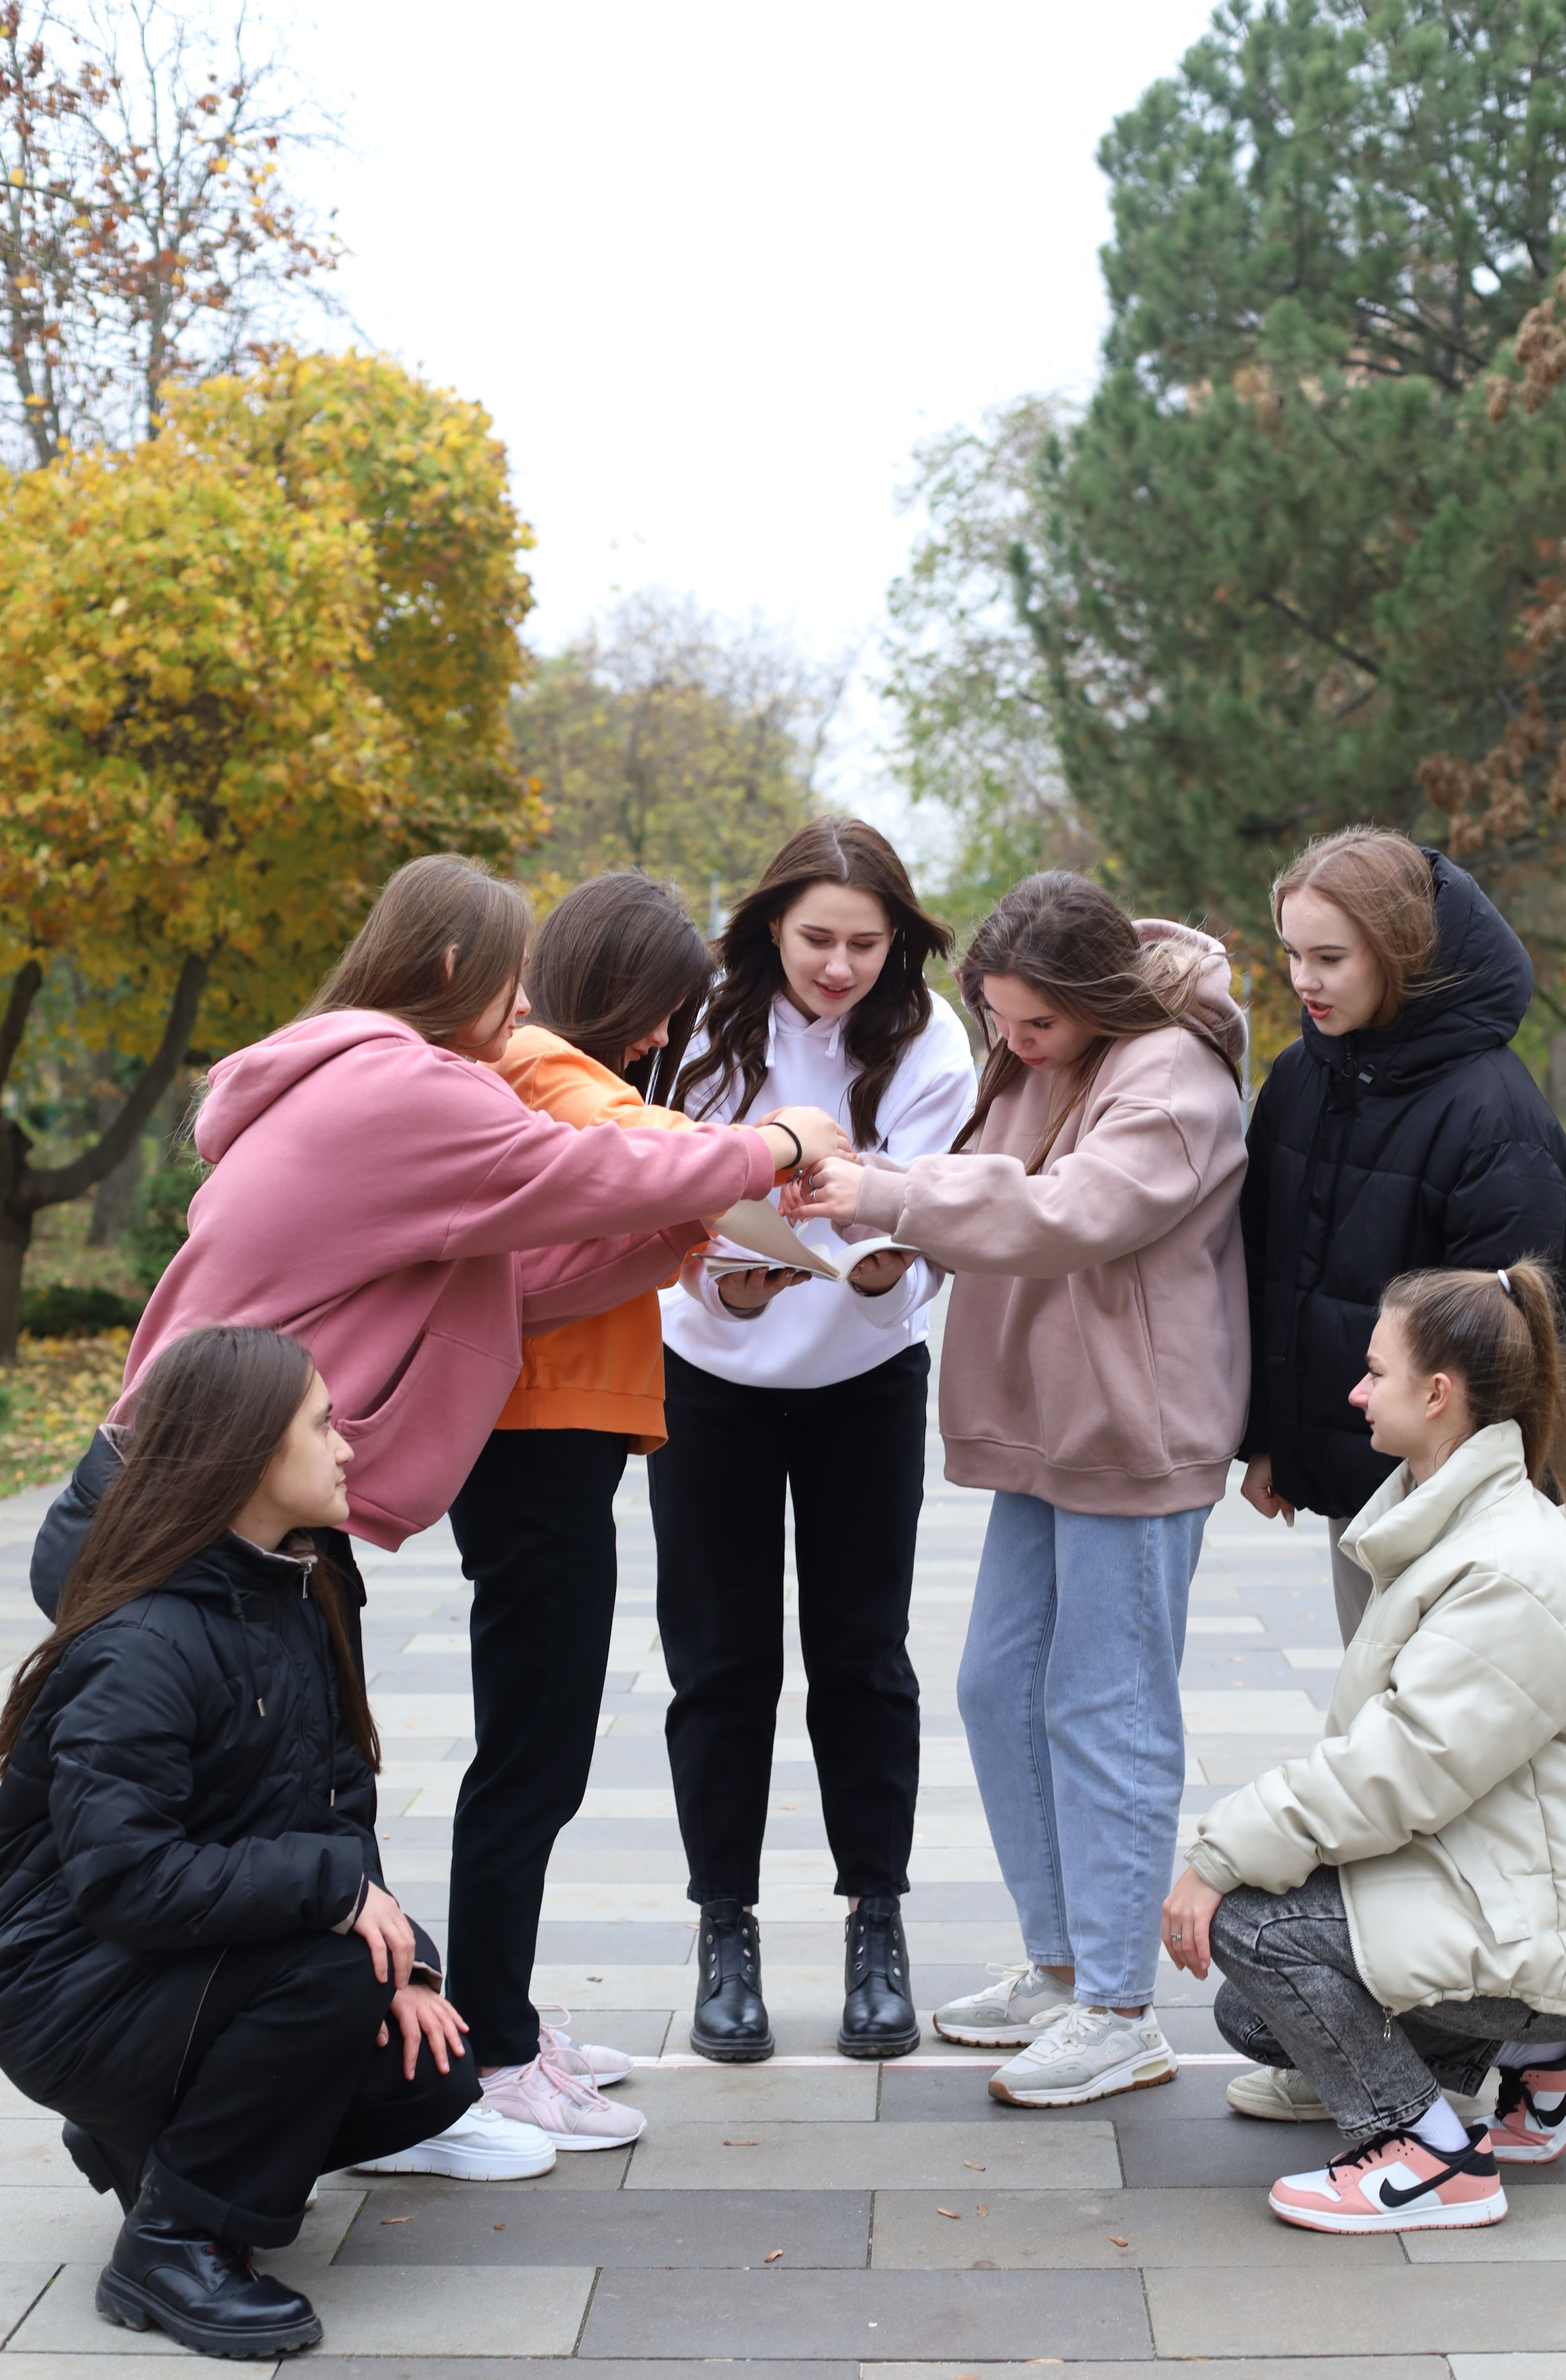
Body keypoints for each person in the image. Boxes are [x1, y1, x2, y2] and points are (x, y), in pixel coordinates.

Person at [34, 849, 846, 1596]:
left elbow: (514, 1286)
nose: (526, 1006)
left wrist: (685, 1226)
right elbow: (587, 1167)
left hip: (197, 1479)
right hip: (197, 1501)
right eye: (515, 979)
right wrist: (772, 1145)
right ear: (457, 966)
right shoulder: (408, 1086)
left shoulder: (349, 1071)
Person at [796, 872, 1250, 2107]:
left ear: (1097, 995)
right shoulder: (1039, 1055)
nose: (1014, 1040)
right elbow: (984, 1194)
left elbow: (1071, 1212)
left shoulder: (1174, 1072)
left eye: (1035, 1021)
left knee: (1109, 1712)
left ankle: (1119, 2008)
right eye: (998, 1018)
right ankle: (1064, 1967)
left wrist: (893, 1195)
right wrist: (887, 1239)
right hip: (1044, 1427)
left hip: (1134, 1432)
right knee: (1000, 1689)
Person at [0, 1327, 507, 2360]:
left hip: (162, 1963)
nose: (348, 1448)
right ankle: (174, 2245)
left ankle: (150, 2145)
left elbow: (335, 1807)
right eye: (323, 1426)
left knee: (431, 2065)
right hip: (64, 1988)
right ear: (247, 1453)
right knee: (335, 1968)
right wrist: (339, 1905)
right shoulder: (142, 1643)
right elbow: (124, 1878)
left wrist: (407, 1963)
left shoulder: (293, 1588)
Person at [1163, 1262, 1566, 2235]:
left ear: (1438, 1395)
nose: (1356, 1393)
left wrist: (1221, 1855)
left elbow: (1395, 1772)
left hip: (1560, 1922)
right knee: (1255, 2012)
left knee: (1252, 1929)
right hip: (1523, 1887)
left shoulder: (1508, 1571)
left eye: (1375, 1373)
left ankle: (1427, 2152)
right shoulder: (1459, 1523)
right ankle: (1557, 2060)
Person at [651, 818, 975, 2061]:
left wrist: (891, 1266)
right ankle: (723, 1929)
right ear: (770, 927)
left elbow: (930, 1219)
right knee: (720, 1664)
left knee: (863, 1658)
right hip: (709, 1383)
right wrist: (717, 1283)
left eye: (865, 943)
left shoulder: (931, 1041)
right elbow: (669, 1199)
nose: (839, 966)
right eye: (816, 939)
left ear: (899, 943)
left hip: (866, 1382)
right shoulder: (701, 1025)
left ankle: (875, 1923)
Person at [444, 872, 714, 2145]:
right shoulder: (540, 1061)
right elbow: (646, 1150)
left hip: (559, 1443)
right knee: (531, 1756)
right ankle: (494, 2050)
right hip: (535, 1447)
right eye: (655, 1007)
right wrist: (771, 1154)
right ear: (604, 982)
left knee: (536, 1751)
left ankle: (501, 2016)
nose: (660, 1035)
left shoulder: (547, 1072)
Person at [1239, 826, 1566, 1650]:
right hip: (1359, 1479)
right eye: (1292, 954)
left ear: (1397, 951)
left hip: (1468, 1502)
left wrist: (1472, 1491)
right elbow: (1268, 1272)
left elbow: (1513, 1342)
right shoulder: (1300, 1077)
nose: (1302, 980)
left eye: (1329, 958)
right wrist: (1270, 1441)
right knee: (1377, 1704)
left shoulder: (1494, 1116)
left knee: (1458, 1708)